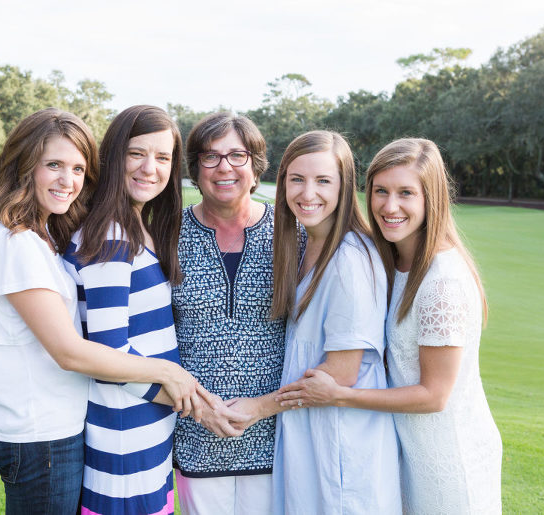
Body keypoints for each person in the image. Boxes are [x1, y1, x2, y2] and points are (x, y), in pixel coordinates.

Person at [0, 108, 202, 514]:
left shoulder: (36, 236)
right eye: (53, 165)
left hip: (58, 427)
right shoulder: (15, 242)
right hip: (42, 433)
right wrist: (172, 377)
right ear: (24, 165)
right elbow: (72, 351)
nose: (68, 180)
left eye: (77, 168)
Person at [277, 138, 502, 514]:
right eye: (381, 191)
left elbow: (434, 395)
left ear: (432, 199)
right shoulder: (393, 262)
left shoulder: (441, 280)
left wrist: (340, 395)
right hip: (405, 451)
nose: (389, 205)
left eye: (406, 193)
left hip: (447, 461)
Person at [62, 105, 241, 515]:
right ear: (113, 157)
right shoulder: (111, 236)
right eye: (136, 153)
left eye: (162, 157)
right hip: (124, 439)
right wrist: (200, 407)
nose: (150, 168)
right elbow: (109, 357)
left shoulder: (138, 227)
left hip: (148, 432)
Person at [261, 130, 400, 514]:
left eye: (323, 181)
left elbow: (341, 371)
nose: (308, 194)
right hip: (312, 434)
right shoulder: (307, 246)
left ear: (344, 187)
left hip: (342, 440)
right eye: (297, 179)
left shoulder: (351, 259)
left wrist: (257, 408)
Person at [171, 112, 284, 515]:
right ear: (195, 171)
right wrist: (201, 408)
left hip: (276, 433)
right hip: (196, 431)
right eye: (210, 157)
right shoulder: (166, 235)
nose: (224, 168)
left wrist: (264, 407)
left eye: (238, 155)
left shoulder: (293, 233)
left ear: (256, 169)